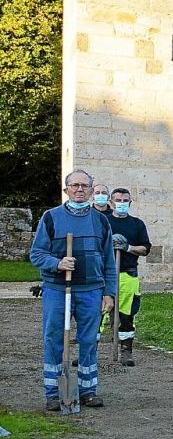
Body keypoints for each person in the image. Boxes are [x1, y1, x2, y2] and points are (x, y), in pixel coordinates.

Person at [30, 169, 116, 411]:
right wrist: (57, 264)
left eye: (85, 186)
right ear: (66, 189)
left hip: (91, 291)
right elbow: (36, 254)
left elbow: (108, 260)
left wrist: (109, 292)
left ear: (91, 189)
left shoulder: (101, 221)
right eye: (75, 185)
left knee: (90, 340)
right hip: (58, 290)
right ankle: (53, 393)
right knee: (54, 339)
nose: (80, 189)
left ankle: (88, 390)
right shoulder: (51, 217)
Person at [106, 187, 151, 367]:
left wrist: (127, 248)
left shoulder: (137, 224)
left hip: (128, 274)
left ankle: (126, 351)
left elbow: (145, 249)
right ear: (111, 203)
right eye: (118, 200)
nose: (122, 204)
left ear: (130, 203)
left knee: (126, 314)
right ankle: (90, 352)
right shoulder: (103, 222)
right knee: (98, 315)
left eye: (125, 201)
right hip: (105, 274)